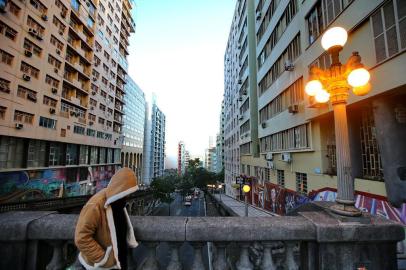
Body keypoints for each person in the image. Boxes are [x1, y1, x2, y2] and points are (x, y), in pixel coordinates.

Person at [75, 168, 138, 269]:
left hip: (118, 263)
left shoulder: (119, 201)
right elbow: (81, 237)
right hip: (101, 266)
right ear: (122, 187)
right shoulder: (95, 204)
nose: (130, 194)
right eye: (129, 189)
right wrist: (103, 258)